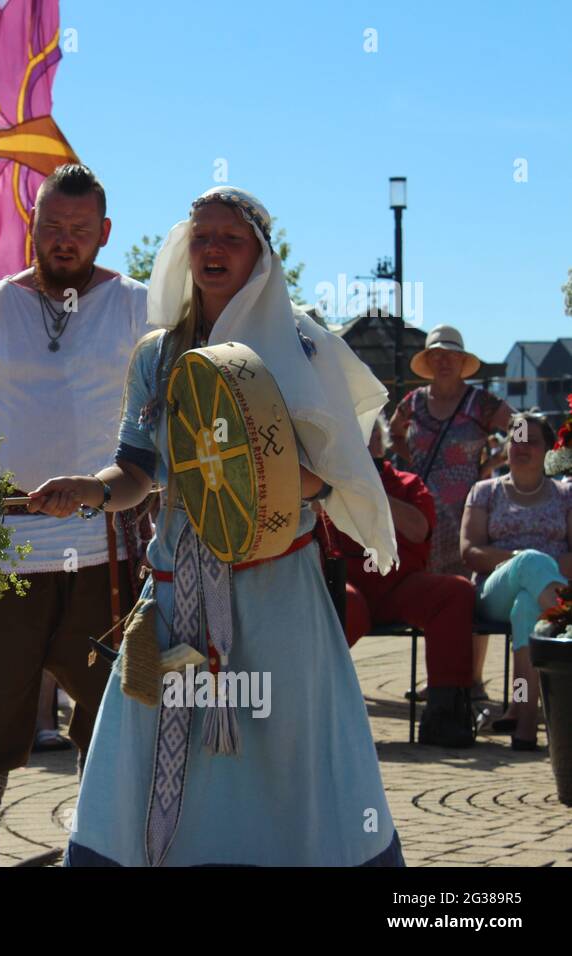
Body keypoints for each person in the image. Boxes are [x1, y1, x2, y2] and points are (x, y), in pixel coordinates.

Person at [33, 187, 404, 866]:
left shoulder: (303, 346)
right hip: (178, 598)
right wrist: (90, 491)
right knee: (145, 745)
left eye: (229, 238)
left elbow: (342, 472)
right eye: (201, 237)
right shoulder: (157, 356)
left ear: (259, 254)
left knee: (291, 747)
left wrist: (264, 478)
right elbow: (137, 470)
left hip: (278, 590)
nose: (212, 250)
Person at [0, 164, 146, 793]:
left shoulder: (140, 306)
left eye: (79, 229)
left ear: (104, 232)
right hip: (6, 561)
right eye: (52, 225)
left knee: (113, 729)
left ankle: (96, 855)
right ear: (32, 226)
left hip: (104, 557)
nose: (64, 239)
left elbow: (165, 432)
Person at [326, 414, 477, 746]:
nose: (369, 444)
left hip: (400, 586)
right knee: (343, 604)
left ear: (382, 446)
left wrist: (373, 493)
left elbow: (419, 529)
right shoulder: (329, 485)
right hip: (353, 588)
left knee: (456, 592)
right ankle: (318, 709)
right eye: (361, 437)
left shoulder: (409, 484)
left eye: (374, 438)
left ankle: (445, 713)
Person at [390, 325, 513, 698]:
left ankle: (473, 681)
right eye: (436, 355)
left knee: (470, 597)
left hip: (468, 515)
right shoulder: (412, 403)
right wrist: (413, 463)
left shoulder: (481, 404)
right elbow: (392, 435)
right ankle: (442, 681)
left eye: (451, 355)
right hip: (424, 517)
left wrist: (490, 465)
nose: (443, 361)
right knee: (435, 598)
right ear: (428, 362)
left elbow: (521, 430)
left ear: (462, 362)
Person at [461, 412, 572, 750]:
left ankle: (524, 722)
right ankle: (567, 629)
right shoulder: (485, 492)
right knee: (528, 563)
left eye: (532, 441)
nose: (522, 447)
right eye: (516, 439)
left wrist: (534, 567)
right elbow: (470, 550)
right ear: (507, 446)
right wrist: (522, 561)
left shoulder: (567, 495)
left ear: (548, 448)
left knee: (527, 607)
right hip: (494, 591)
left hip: (538, 599)